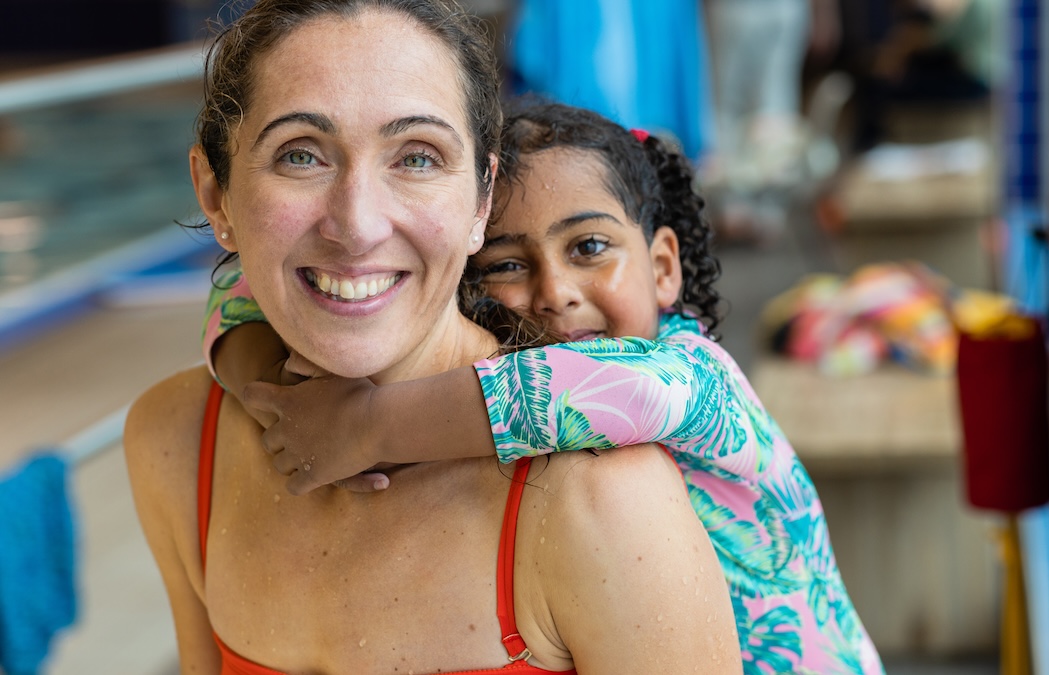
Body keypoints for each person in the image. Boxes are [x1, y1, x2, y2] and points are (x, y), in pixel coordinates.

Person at [123, 2, 742, 673]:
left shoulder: (600, 503)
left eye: (417, 157)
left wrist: (369, 423)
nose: (357, 225)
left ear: (482, 199)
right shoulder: (178, 442)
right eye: (300, 154)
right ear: (215, 195)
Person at [205, 97, 885, 673]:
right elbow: (243, 287)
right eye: (506, 263)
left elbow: (603, 390)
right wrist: (278, 401)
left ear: (663, 267)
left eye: (589, 247)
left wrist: (362, 423)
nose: (556, 292)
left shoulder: (696, 375)